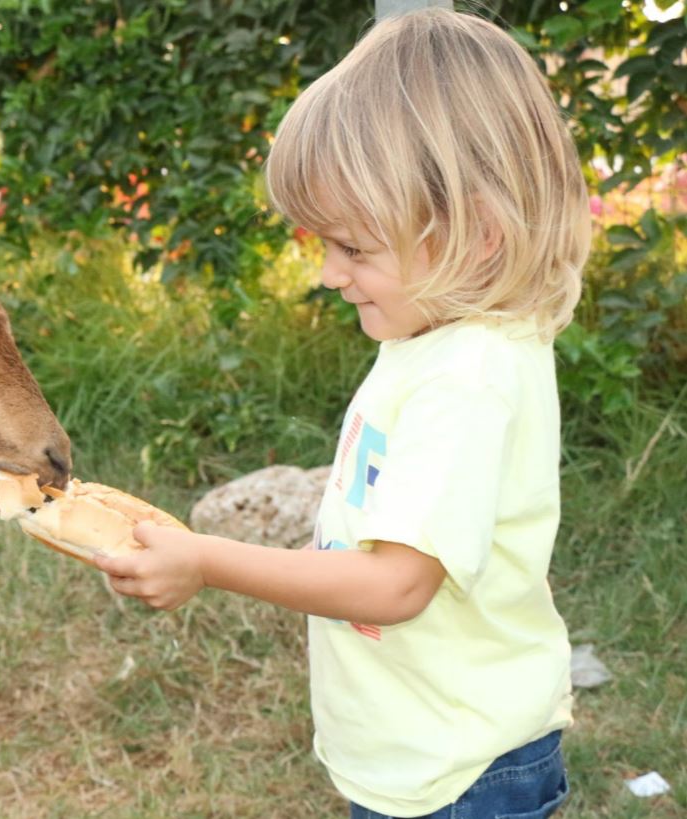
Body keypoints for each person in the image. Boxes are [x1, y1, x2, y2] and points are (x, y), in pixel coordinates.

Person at [95, 9, 590, 818]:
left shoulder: (464, 378)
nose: (329, 273)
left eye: (354, 248)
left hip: (458, 774)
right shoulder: (435, 339)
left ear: (478, 235)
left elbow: (395, 583)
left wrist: (205, 559)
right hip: (427, 749)